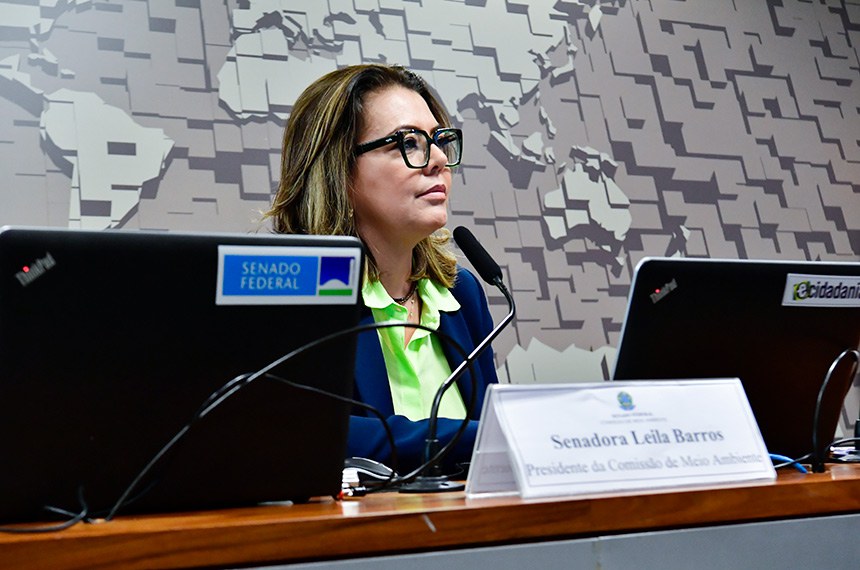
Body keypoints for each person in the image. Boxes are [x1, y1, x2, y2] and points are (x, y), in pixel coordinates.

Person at [264, 64, 498, 474]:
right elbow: (305, 430)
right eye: (409, 142)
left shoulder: (462, 294)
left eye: (440, 140)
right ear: (339, 168)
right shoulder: (297, 292)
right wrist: (474, 436)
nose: (439, 160)